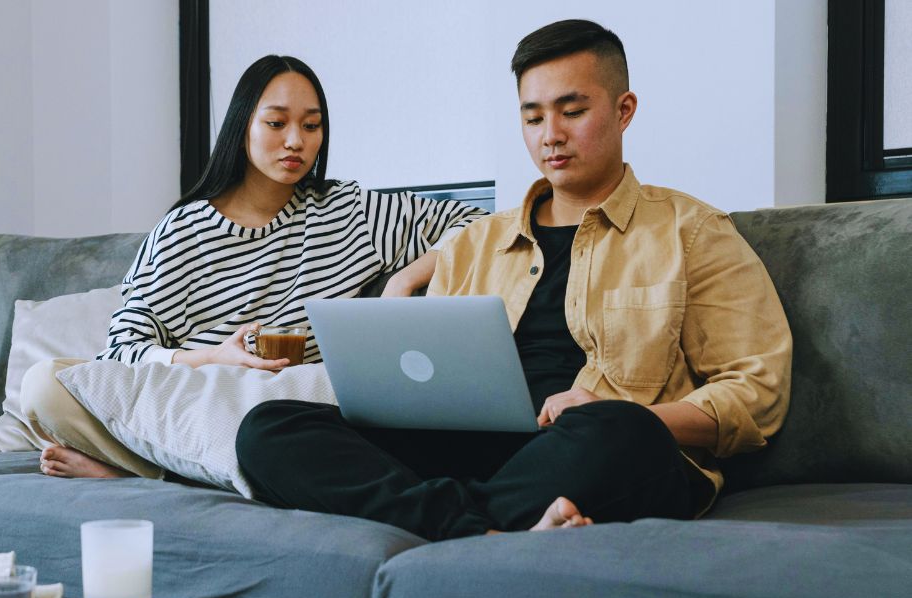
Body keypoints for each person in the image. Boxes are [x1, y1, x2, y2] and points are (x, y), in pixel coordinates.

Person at [235, 20, 793, 540]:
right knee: (269, 428)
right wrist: (404, 290)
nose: (550, 135)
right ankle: (488, 531)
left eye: (572, 111)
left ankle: (450, 519)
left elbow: (756, 395)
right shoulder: (475, 243)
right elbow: (429, 388)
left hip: (595, 449)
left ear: (624, 111)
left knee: (622, 432)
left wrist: (628, 413)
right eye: (532, 117)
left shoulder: (692, 232)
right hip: (478, 450)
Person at [22, 55, 485, 479]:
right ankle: (179, 471)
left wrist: (405, 279)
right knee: (46, 385)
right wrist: (212, 358)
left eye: (311, 125)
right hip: (202, 401)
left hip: (299, 408)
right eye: (277, 123)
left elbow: (480, 223)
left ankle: (150, 475)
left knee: (353, 394)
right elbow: (122, 350)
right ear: (242, 125)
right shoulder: (183, 231)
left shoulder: (348, 211)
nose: (295, 141)